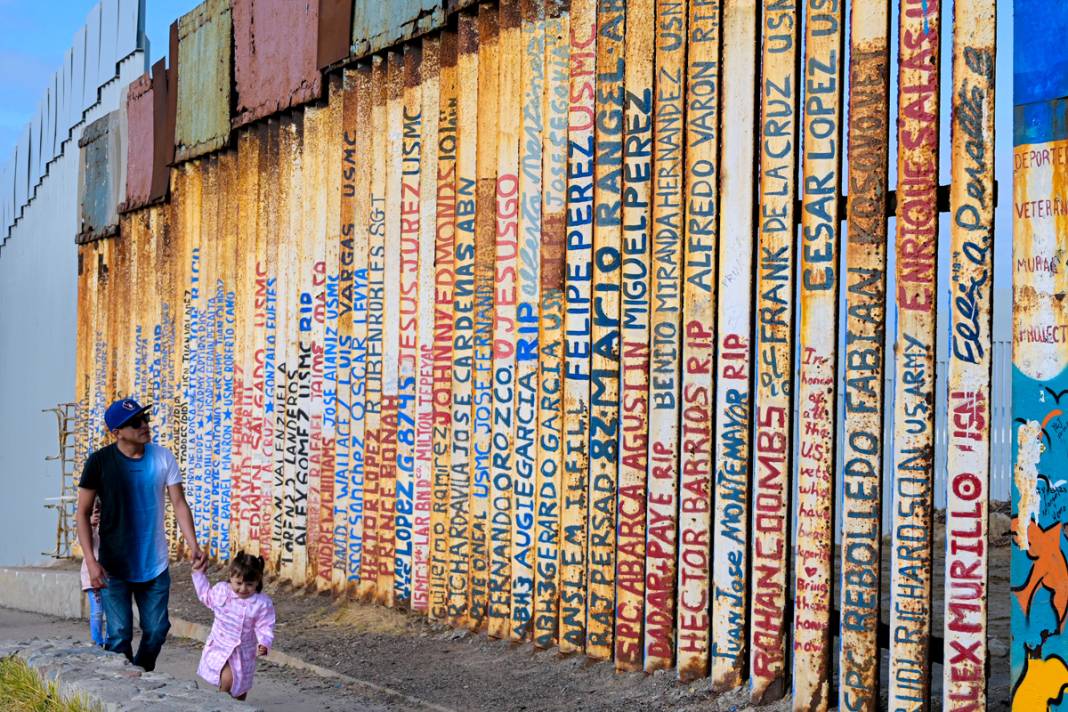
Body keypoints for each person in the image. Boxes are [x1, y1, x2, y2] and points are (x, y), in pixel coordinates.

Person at [76, 397, 205, 672]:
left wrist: (193, 545)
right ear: (117, 433)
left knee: (157, 630)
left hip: (155, 564)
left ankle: (139, 675)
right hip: (113, 565)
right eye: (135, 423)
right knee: (120, 633)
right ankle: (121, 688)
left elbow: (179, 503)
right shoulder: (99, 463)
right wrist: (90, 560)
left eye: (145, 418)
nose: (144, 425)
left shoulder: (163, 457)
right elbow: (82, 514)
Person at [192, 551, 275, 700]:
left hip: (244, 652)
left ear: (258, 581)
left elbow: (265, 625)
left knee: (241, 689)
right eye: (239, 583)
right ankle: (222, 705)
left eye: (249, 584)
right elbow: (206, 596)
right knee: (228, 680)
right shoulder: (222, 591)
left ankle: (238, 707)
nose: (243, 589)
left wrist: (264, 642)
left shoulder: (261, 603)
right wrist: (199, 575)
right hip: (220, 645)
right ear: (231, 576)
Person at [79, 499, 105, 646]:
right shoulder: (87, 528)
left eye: (99, 510)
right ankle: (97, 641)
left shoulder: (108, 525)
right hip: (90, 576)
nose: (96, 514)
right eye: (93, 511)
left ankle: (110, 640)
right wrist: (90, 526)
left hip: (107, 575)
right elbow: (82, 541)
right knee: (97, 611)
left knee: (110, 613)